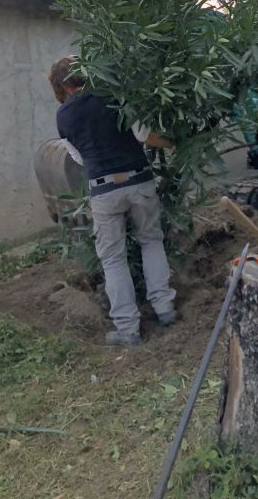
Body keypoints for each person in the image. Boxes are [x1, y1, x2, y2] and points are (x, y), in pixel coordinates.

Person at [48, 56, 177, 347]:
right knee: (151, 241)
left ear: (61, 86)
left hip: (104, 190)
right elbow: (142, 135)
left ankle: (128, 328)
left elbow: (79, 158)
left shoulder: (63, 117)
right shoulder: (115, 95)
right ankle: (164, 307)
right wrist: (172, 143)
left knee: (113, 259)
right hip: (140, 179)